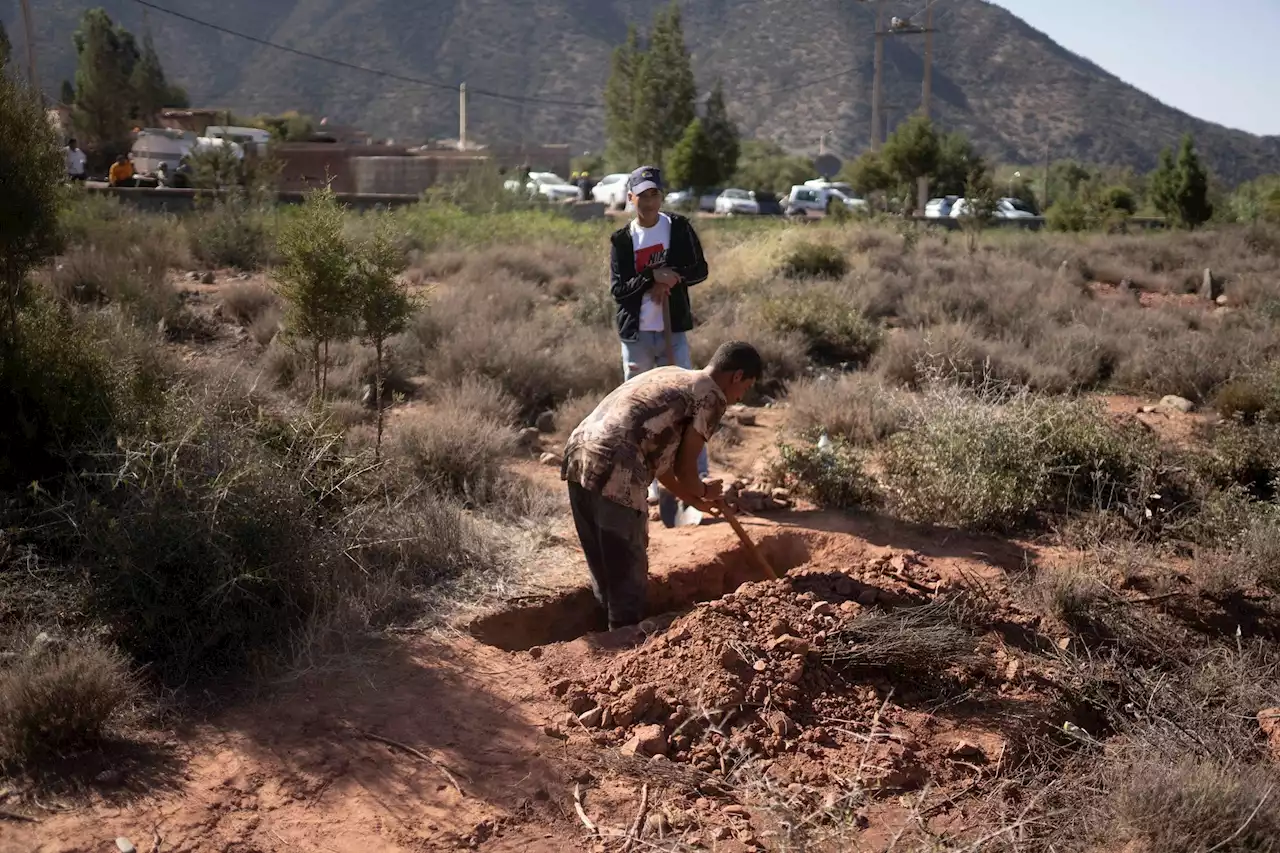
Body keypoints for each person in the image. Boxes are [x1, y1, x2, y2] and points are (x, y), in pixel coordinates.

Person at [561, 340, 763, 631]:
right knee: (628, 570)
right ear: (737, 376)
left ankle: (609, 633)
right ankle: (624, 645)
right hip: (619, 467)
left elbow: (664, 467)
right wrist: (705, 490)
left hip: (579, 454)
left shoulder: (671, 374)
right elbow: (685, 466)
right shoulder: (712, 396)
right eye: (745, 388)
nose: (738, 396)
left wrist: (695, 501)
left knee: (604, 564)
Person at [610, 165, 711, 517]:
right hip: (637, 336)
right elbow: (619, 291)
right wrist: (651, 276)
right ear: (631, 197)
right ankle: (646, 482)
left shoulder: (678, 228)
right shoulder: (622, 241)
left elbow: (700, 270)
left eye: (655, 194)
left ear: (660, 197)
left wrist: (674, 278)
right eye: (643, 194)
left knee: (688, 402)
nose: (650, 201)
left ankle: (696, 477)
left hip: (673, 331)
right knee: (638, 410)